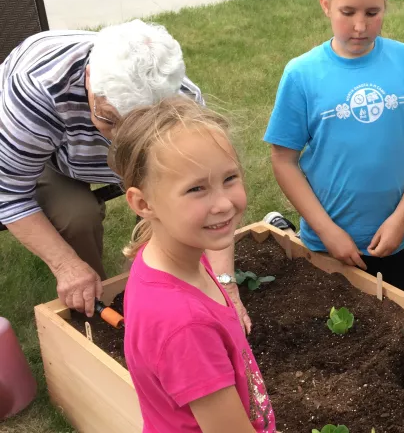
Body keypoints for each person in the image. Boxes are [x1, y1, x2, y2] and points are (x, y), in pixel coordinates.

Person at [0, 20, 244, 318]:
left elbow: (209, 195)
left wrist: (224, 284)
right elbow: (10, 195)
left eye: (140, 130)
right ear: (89, 78)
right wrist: (68, 267)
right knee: (77, 217)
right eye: (109, 120)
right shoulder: (37, 88)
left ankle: (150, 287)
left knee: (175, 205)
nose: (119, 144)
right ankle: (98, 299)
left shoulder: (183, 99)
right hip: (47, 156)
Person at [263, 0, 404, 292]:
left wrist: (401, 219)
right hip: (327, 242)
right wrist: (327, 230)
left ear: (385, 0)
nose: (360, 26)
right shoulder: (301, 74)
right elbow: (283, 160)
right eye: (347, 12)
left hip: (393, 238)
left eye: (372, 12)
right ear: (325, 4)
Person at [109, 96, 276, 432]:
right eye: (197, 188)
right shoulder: (184, 326)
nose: (224, 203)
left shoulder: (176, 254)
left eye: (230, 178)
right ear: (143, 203)